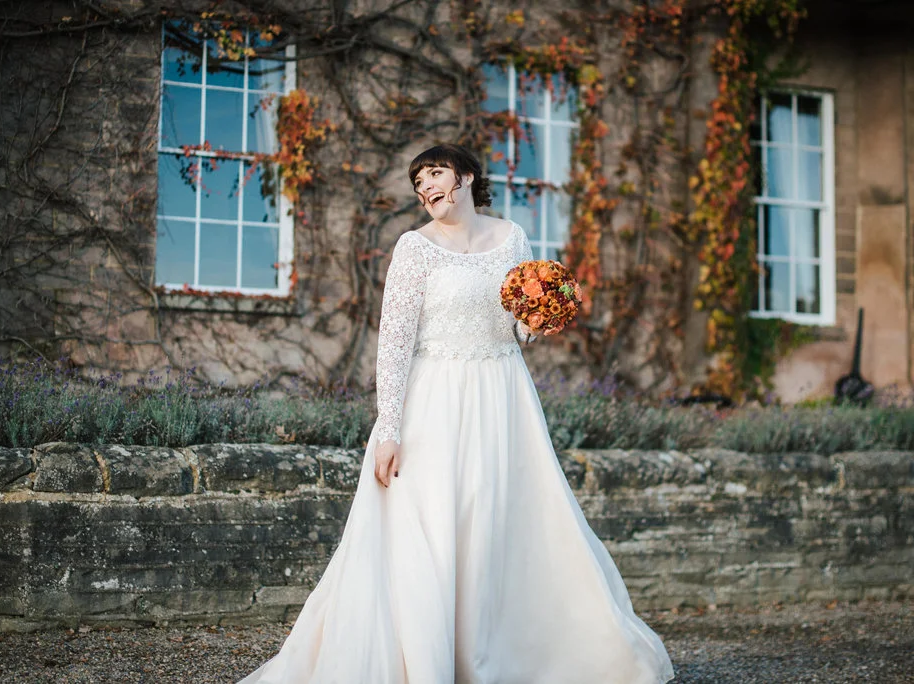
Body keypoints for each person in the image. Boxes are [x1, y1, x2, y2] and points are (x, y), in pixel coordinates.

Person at [238, 144, 675, 683]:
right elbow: (394, 343)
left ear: (465, 177)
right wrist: (389, 429)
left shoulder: (512, 238)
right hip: (433, 403)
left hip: (501, 396)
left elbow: (515, 327)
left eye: (435, 175)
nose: (426, 189)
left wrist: (536, 322)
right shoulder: (414, 249)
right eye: (418, 184)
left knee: (495, 525)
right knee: (432, 529)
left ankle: (502, 654)